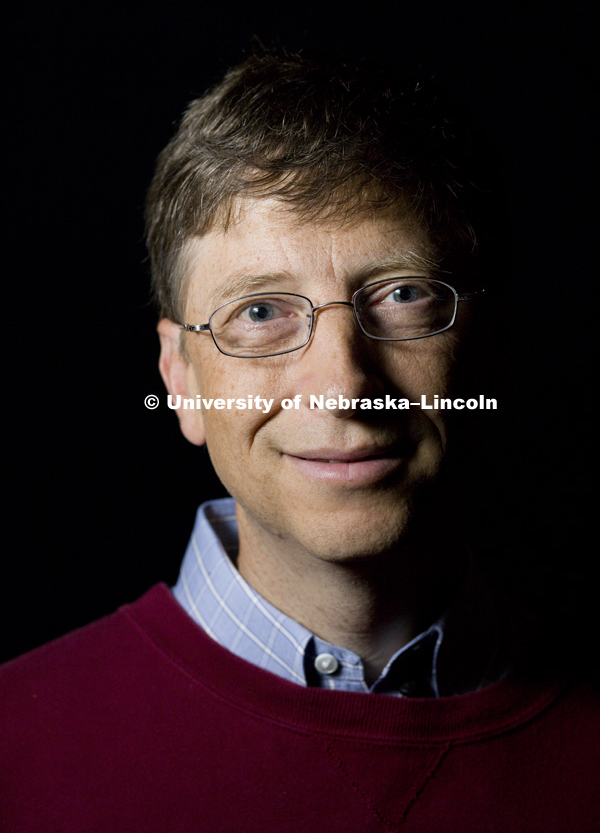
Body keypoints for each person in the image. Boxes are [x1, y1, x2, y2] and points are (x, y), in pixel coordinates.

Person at [1, 48, 598, 832]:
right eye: (260, 312)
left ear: (490, 345)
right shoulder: (16, 748)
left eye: (404, 295)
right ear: (179, 377)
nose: (344, 384)